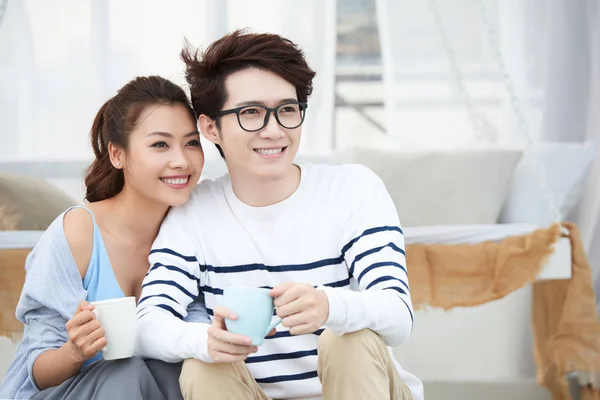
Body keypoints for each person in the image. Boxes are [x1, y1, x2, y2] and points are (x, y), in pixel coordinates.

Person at [135, 30, 424, 400]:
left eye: (287, 110)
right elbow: (146, 327)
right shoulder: (193, 212)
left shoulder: (352, 189)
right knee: (201, 365)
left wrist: (329, 306)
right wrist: (205, 340)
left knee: (349, 340)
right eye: (251, 112)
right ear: (210, 127)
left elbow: (398, 315)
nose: (274, 131)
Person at [0, 75, 204, 400]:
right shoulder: (79, 233)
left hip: (151, 390)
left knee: (176, 368)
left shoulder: (195, 230)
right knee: (127, 370)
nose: (182, 159)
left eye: (192, 142)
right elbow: (36, 372)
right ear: (117, 155)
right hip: (58, 392)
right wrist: (74, 352)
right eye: (160, 144)